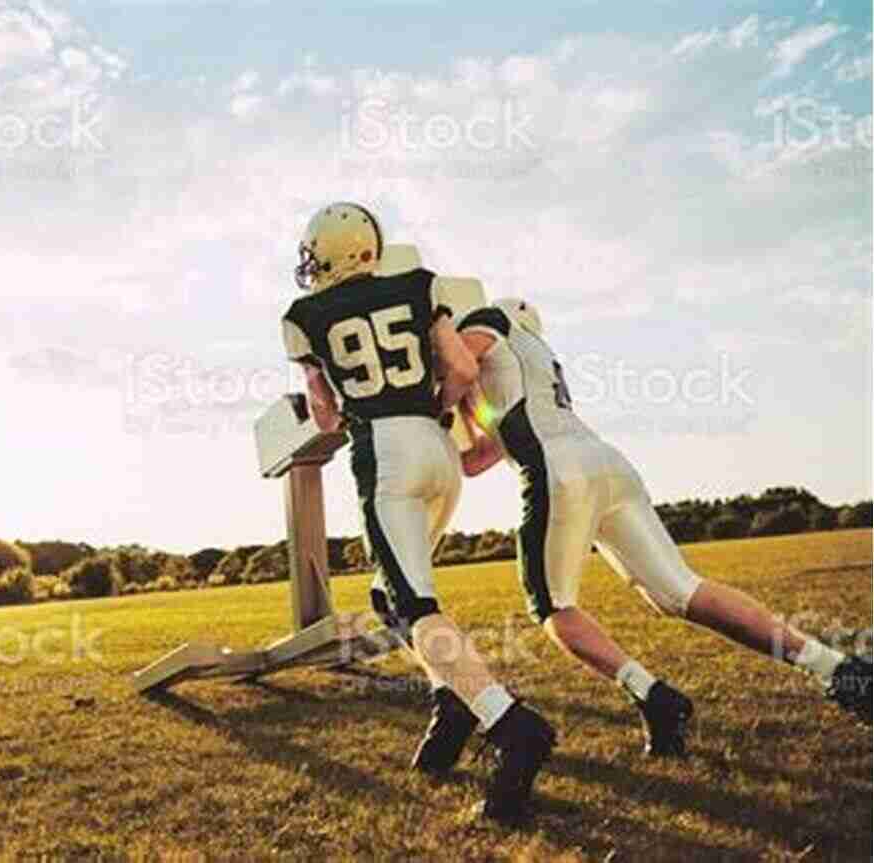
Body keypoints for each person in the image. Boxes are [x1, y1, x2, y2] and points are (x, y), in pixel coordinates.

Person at [432, 296, 872, 761]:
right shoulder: (537, 367)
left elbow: (457, 361)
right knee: (680, 591)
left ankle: (652, 695)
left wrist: (438, 383)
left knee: (553, 607)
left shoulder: (491, 321)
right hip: (606, 464)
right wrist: (463, 409)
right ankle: (835, 667)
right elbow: (478, 459)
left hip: (557, 470)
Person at [281, 203, 555, 820]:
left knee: (413, 604)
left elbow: (325, 415)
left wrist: (337, 412)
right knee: (390, 595)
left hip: (385, 458)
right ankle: (449, 701)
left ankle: (509, 725)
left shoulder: (301, 318)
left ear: (330, 251)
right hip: (438, 451)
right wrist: (437, 407)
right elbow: (460, 366)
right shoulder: (419, 284)